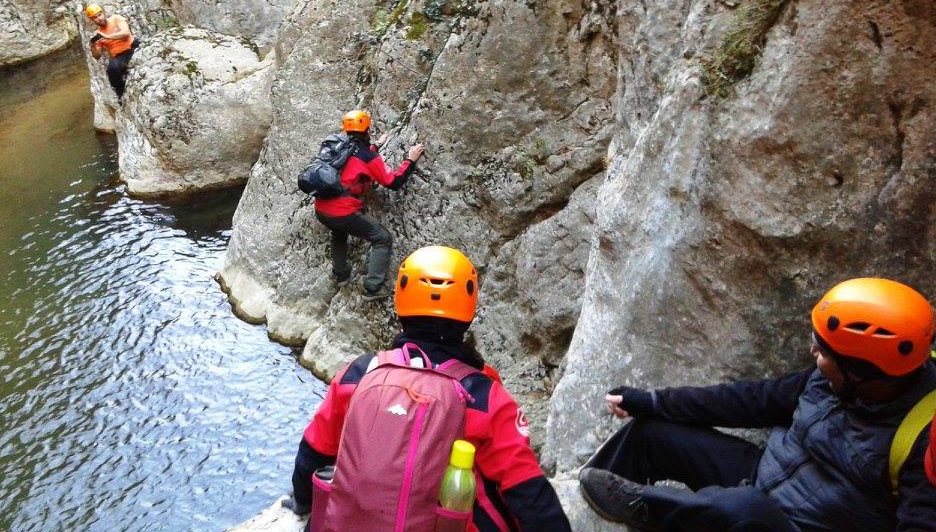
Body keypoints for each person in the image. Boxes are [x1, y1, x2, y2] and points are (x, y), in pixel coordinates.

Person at [579, 277, 936, 532]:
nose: (814, 353)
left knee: (743, 509)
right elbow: (748, 401)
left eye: (824, 351)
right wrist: (653, 401)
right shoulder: (832, 380)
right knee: (652, 433)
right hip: (761, 478)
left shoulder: (924, 440)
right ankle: (584, 508)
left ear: (861, 371)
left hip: (791, 522)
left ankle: (646, 506)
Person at [289, 245, 572, 531]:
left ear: (400, 302)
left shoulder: (359, 373)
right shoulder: (485, 396)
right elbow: (529, 493)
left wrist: (302, 502)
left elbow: (312, 452)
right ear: (468, 311)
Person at [314, 109, 424, 300]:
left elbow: (354, 158)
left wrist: (378, 145)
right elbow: (394, 182)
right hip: (343, 213)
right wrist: (410, 160)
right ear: (367, 129)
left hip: (322, 209)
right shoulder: (367, 156)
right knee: (382, 238)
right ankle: (373, 287)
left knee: (338, 231)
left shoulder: (339, 146)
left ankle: (341, 274)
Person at [85, 4, 137, 99]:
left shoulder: (116, 18)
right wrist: (92, 46)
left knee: (114, 67)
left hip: (131, 47)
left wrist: (107, 36)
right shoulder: (98, 34)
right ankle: (121, 94)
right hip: (119, 56)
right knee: (112, 70)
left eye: (99, 15)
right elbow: (97, 56)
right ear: (92, 21)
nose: (99, 19)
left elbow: (125, 33)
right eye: (95, 18)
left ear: (103, 13)